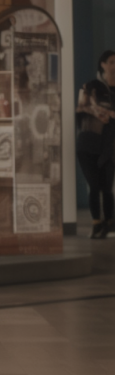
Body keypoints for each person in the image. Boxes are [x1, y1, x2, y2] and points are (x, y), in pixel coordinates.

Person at [76, 50, 115, 239]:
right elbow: (80, 109)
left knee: (107, 187)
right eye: (112, 62)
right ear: (103, 65)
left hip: (109, 146)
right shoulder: (90, 86)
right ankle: (97, 225)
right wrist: (98, 113)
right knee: (94, 185)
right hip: (88, 144)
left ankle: (109, 223)